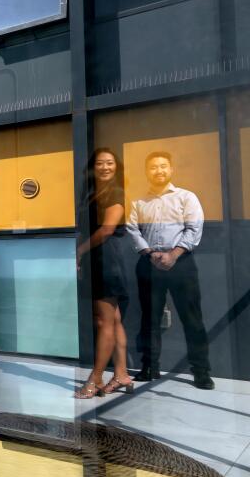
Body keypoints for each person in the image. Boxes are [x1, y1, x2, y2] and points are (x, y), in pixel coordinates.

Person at [127, 151, 214, 389]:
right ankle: (149, 367)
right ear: (147, 172)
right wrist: (149, 253)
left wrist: (173, 254)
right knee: (149, 319)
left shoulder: (186, 197)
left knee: (192, 319)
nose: (159, 171)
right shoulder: (138, 201)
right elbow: (132, 229)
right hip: (149, 262)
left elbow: (194, 228)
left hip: (181, 263)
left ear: (171, 169)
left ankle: (201, 371)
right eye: (153, 167)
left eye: (163, 166)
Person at [76, 149, 132, 398]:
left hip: (107, 261)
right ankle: (121, 375)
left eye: (109, 163)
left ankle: (95, 378)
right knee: (114, 319)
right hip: (99, 260)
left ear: (116, 167)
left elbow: (108, 229)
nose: (105, 167)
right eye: (99, 163)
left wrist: (80, 250)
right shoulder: (93, 193)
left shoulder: (117, 192)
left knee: (104, 321)